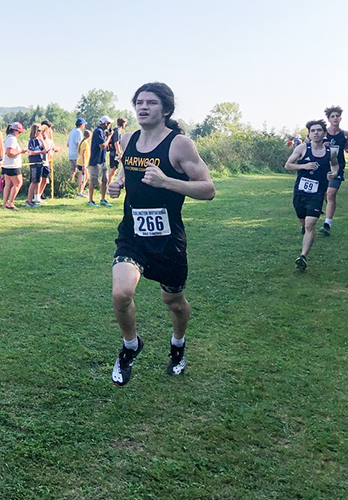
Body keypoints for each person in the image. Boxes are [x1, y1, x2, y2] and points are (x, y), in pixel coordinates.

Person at [107, 82, 215, 386]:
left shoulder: (179, 144)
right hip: (133, 234)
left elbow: (208, 189)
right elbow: (125, 173)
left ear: (166, 109)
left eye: (151, 102)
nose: (143, 107)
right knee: (121, 293)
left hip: (168, 241)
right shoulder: (127, 140)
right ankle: (131, 346)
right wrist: (118, 184)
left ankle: (178, 344)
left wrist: (168, 182)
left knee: (174, 302)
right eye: (139, 102)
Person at [285, 119, 339, 270]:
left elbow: (335, 165)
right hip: (300, 193)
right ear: (309, 134)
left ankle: (303, 257)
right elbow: (288, 165)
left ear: (324, 133)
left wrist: (333, 174)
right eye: (313, 131)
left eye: (319, 130)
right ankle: (304, 228)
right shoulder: (302, 148)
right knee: (303, 220)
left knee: (311, 223)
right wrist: (304, 166)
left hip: (317, 193)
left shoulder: (331, 152)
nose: (316, 133)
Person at [319, 106, 348, 236]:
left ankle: (327, 224)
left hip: (337, 167)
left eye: (337, 116)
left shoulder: (345, 134)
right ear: (329, 119)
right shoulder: (323, 133)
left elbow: (347, 149)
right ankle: (327, 205)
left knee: (331, 193)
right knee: (325, 193)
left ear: (340, 118)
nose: (335, 118)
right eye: (332, 116)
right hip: (323, 167)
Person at [88, 116, 113, 207]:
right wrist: (110, 137)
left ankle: (103, 199)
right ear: (105, 123)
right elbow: (102, 146)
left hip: (102, 160)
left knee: (105, 180)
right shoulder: (98, 132)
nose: (109, 125)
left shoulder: (102, 132)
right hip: (96, 160)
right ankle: (90, 200)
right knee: (94, 180)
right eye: (109, 123)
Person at [2, 122, 27, 209]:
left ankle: (5, 203)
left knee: (8, 184)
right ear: (14, 131)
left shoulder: (7, 138)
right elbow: (10, 153)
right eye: (19, 132)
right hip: (13, 165)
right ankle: (10, 202)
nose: (19, 134)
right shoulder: (12, 139)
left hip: (7, 164)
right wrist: (21, 151)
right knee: (18, 183)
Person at [26, 123, 47, 207]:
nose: (40, 132)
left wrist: (42, 140)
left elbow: (45, 149)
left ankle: (35, 198)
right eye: (38, 131)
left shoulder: (39, 140)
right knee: (34, 181)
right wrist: (40, 152)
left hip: (40, 163)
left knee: (38, 181)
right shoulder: (32, 141)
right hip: (34, 163)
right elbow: (31, 152)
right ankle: (29, 200)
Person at [37, 120, 58, 201]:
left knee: (45, 180)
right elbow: (51, 147)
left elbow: (53, 146)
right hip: (42, 161)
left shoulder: (48, 139)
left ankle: (39, 194)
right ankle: (37, 195)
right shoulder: (40, 139)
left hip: (47, 161)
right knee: (40, 179)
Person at [108, 117, 127, 183]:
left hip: (114, 152)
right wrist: (119, 153)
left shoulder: (116, 130)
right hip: (114, 153)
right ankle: (109, 185)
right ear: (123, 123)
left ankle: (111, 183)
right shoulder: (117, 131)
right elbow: (116, 143)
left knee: (114, 169)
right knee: (112, 169)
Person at [75, 129, 92, 197]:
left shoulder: (83, 142)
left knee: (87, 176)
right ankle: (80, 191)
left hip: (82, 161)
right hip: (82, 162)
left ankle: (81, 190)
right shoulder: (84, 143)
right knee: (83, 177)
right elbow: (83, 154)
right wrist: (84, 164)